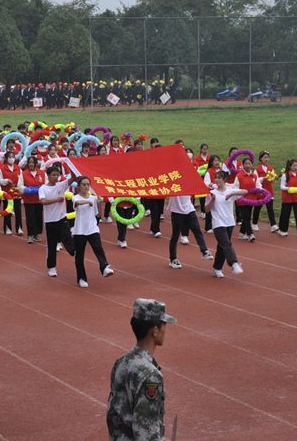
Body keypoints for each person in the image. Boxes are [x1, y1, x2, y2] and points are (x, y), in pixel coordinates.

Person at [107, 298, 176, 440]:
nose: (165, 330)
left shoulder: (120, 363)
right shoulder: (150, 375)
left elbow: (112, 414)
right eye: (164, 325)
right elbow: (146, 430)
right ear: (155, 331)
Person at [71, 176, 114, 287]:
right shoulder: (75, 197)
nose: (86, 187)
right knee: (79, 255)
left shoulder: (93, 198)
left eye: (87, 185)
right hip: (80, 229)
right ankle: (81, 278)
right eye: (83, 184)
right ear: (79, 186)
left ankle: (104, 267)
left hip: (92, 228)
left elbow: (97, 215)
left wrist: (98, 203)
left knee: (98, 248)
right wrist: (87, 202)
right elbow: (77, 203)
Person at [205, 170, 247, 277]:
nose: (217, 180)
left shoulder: (230, 192)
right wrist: (212, 200)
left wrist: (232, 193)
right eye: (216, 178)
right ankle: (234, 263)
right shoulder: (212, 193)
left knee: (222, 246)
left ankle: (217, 268)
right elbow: (206, 209)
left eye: (220, 178)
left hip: (229, 222)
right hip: (218, 223)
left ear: (225, 179)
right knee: (226, 243)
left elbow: (245, 191)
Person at [39, 164, 76, 277]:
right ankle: (51, 267)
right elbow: (43, 201)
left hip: (61, 218)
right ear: (48, 176)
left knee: (67, 237)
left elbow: (73, 178)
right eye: (54, 175)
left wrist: (71, 165)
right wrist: (56, 200)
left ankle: (74, 252)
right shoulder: (43, 188)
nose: (56, 177)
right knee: (52, 244)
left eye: (58, 175)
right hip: (50, 221)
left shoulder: (61, 185)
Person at [166, 194, 214, 269]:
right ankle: (173, 259)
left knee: (197, 230)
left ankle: (204, 251)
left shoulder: (189, 183)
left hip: (189, 209)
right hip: (177, 211)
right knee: (175, 235)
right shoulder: (174, 182)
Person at [278, 159, 297, 239]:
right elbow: (282, 186)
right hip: (287, 198)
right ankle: (282, 229)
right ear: (289, 166)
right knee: (285, 214)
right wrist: (289, 189)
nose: (295, 167)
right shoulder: (285, 175)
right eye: (294, 166)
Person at [253, 151, 279, 233]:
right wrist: (263, 179)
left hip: (269, 191)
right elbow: (255, 180)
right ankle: (254, 223)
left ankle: (273, 225)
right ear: (261, 158)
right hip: (260, 192)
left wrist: (274, 178)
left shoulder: (271, 168)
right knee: (257, 208)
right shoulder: (257, 169)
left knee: (270, 208)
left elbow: (272, 181)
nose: (266, 159)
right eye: (264, 157)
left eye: (267, 157)